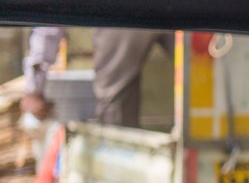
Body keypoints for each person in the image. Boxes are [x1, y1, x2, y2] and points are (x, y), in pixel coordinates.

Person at [21, 26, 174, 127]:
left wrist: (34, 88)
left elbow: (49, 26)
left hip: (123, 4)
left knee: (115, 109)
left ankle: (117, 159)